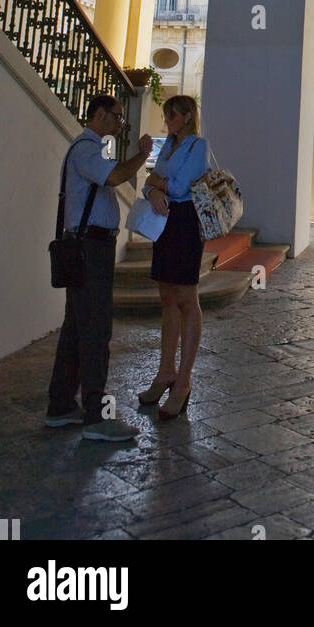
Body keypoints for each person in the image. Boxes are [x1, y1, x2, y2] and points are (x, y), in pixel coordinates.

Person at [46, 95, 153, 441]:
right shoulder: (87, 150)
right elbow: (116, 177)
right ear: (101, 115)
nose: (120, 123)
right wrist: (142, 154)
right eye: (118, 118)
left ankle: (61, 406)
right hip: (90, 249)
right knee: (95, 330)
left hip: (88, 247)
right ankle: (97, 416)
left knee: (77, 328)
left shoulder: (90, 149)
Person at [137, 95, 209, 419]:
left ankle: (183, 381)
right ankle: (165, 370)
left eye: (172, 115)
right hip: (163, 221)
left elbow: (181, 188)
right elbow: (151, 182)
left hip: (185, 223)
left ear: (187, 117)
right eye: (166, 115)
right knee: (166, 296)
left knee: (186, 297)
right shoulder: (167, 146)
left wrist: (155, 183)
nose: (167, 120)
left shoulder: (197, 146)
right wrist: (152, 188)